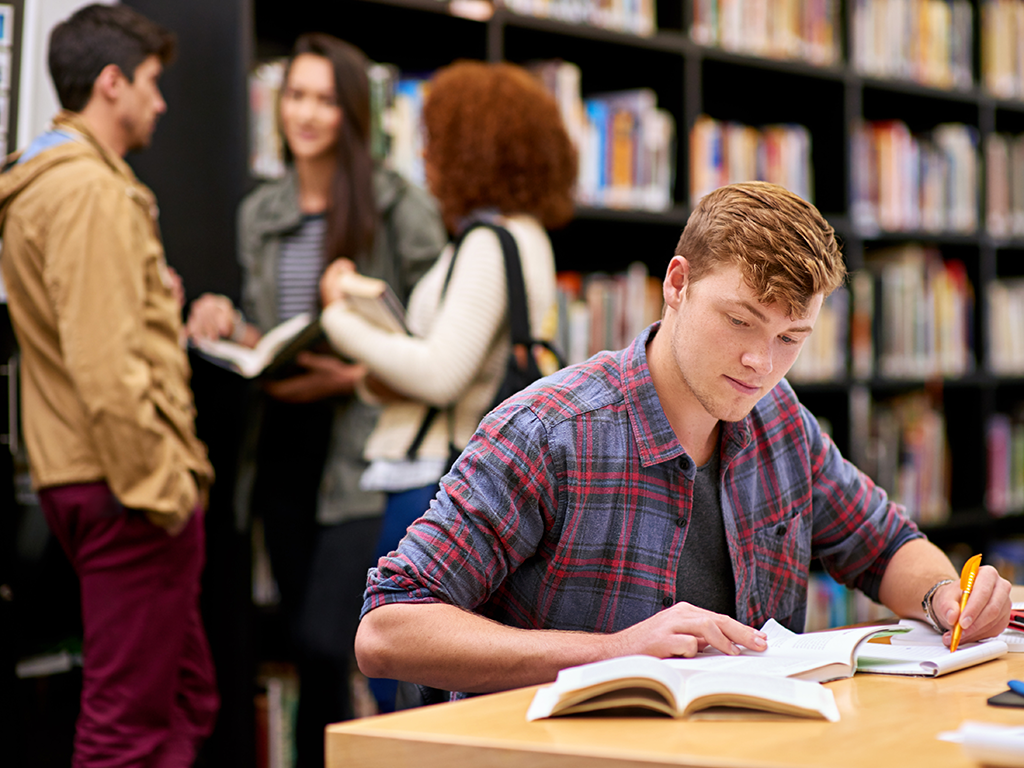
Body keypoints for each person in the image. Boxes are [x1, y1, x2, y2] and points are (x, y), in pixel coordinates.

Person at [351, 181, 1013, 697]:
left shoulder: (778, 420)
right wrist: (613, 653)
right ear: (677, 284)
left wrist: (942, 597)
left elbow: (885, 545)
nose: (761, 363)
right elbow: (387, 630)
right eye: (739, 321)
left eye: (790, 340)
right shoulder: (548, 432)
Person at [185, 33, 445, 766]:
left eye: (325, 99)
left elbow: (434, 338)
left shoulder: (398, 206)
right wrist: (227, 324)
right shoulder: (261, 209)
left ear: (354, 113)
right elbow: (274, 326)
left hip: (364, 444)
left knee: (333, 639)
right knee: (305, 644)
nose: (305, 112)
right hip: (280, 443)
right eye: (295, 94)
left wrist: (353, 374)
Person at [317, 60, 577, 709]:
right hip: (448, 456)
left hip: (435, 472)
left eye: (436, 138)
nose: (425, 155)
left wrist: (337, 318)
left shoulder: (489, 242)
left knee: (397, 662)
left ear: (474, 146)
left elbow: (442, 371)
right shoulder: (528, 238)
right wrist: (379, 376)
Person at [0, 5, 218, 766]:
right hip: (126, 487)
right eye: (152, 84)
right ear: (112, 83)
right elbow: (105, 366)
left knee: (182, 701)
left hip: (97, 478)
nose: (161, 103)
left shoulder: (57, 180)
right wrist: (163, 490)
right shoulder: (89, 192)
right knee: (127, 730)